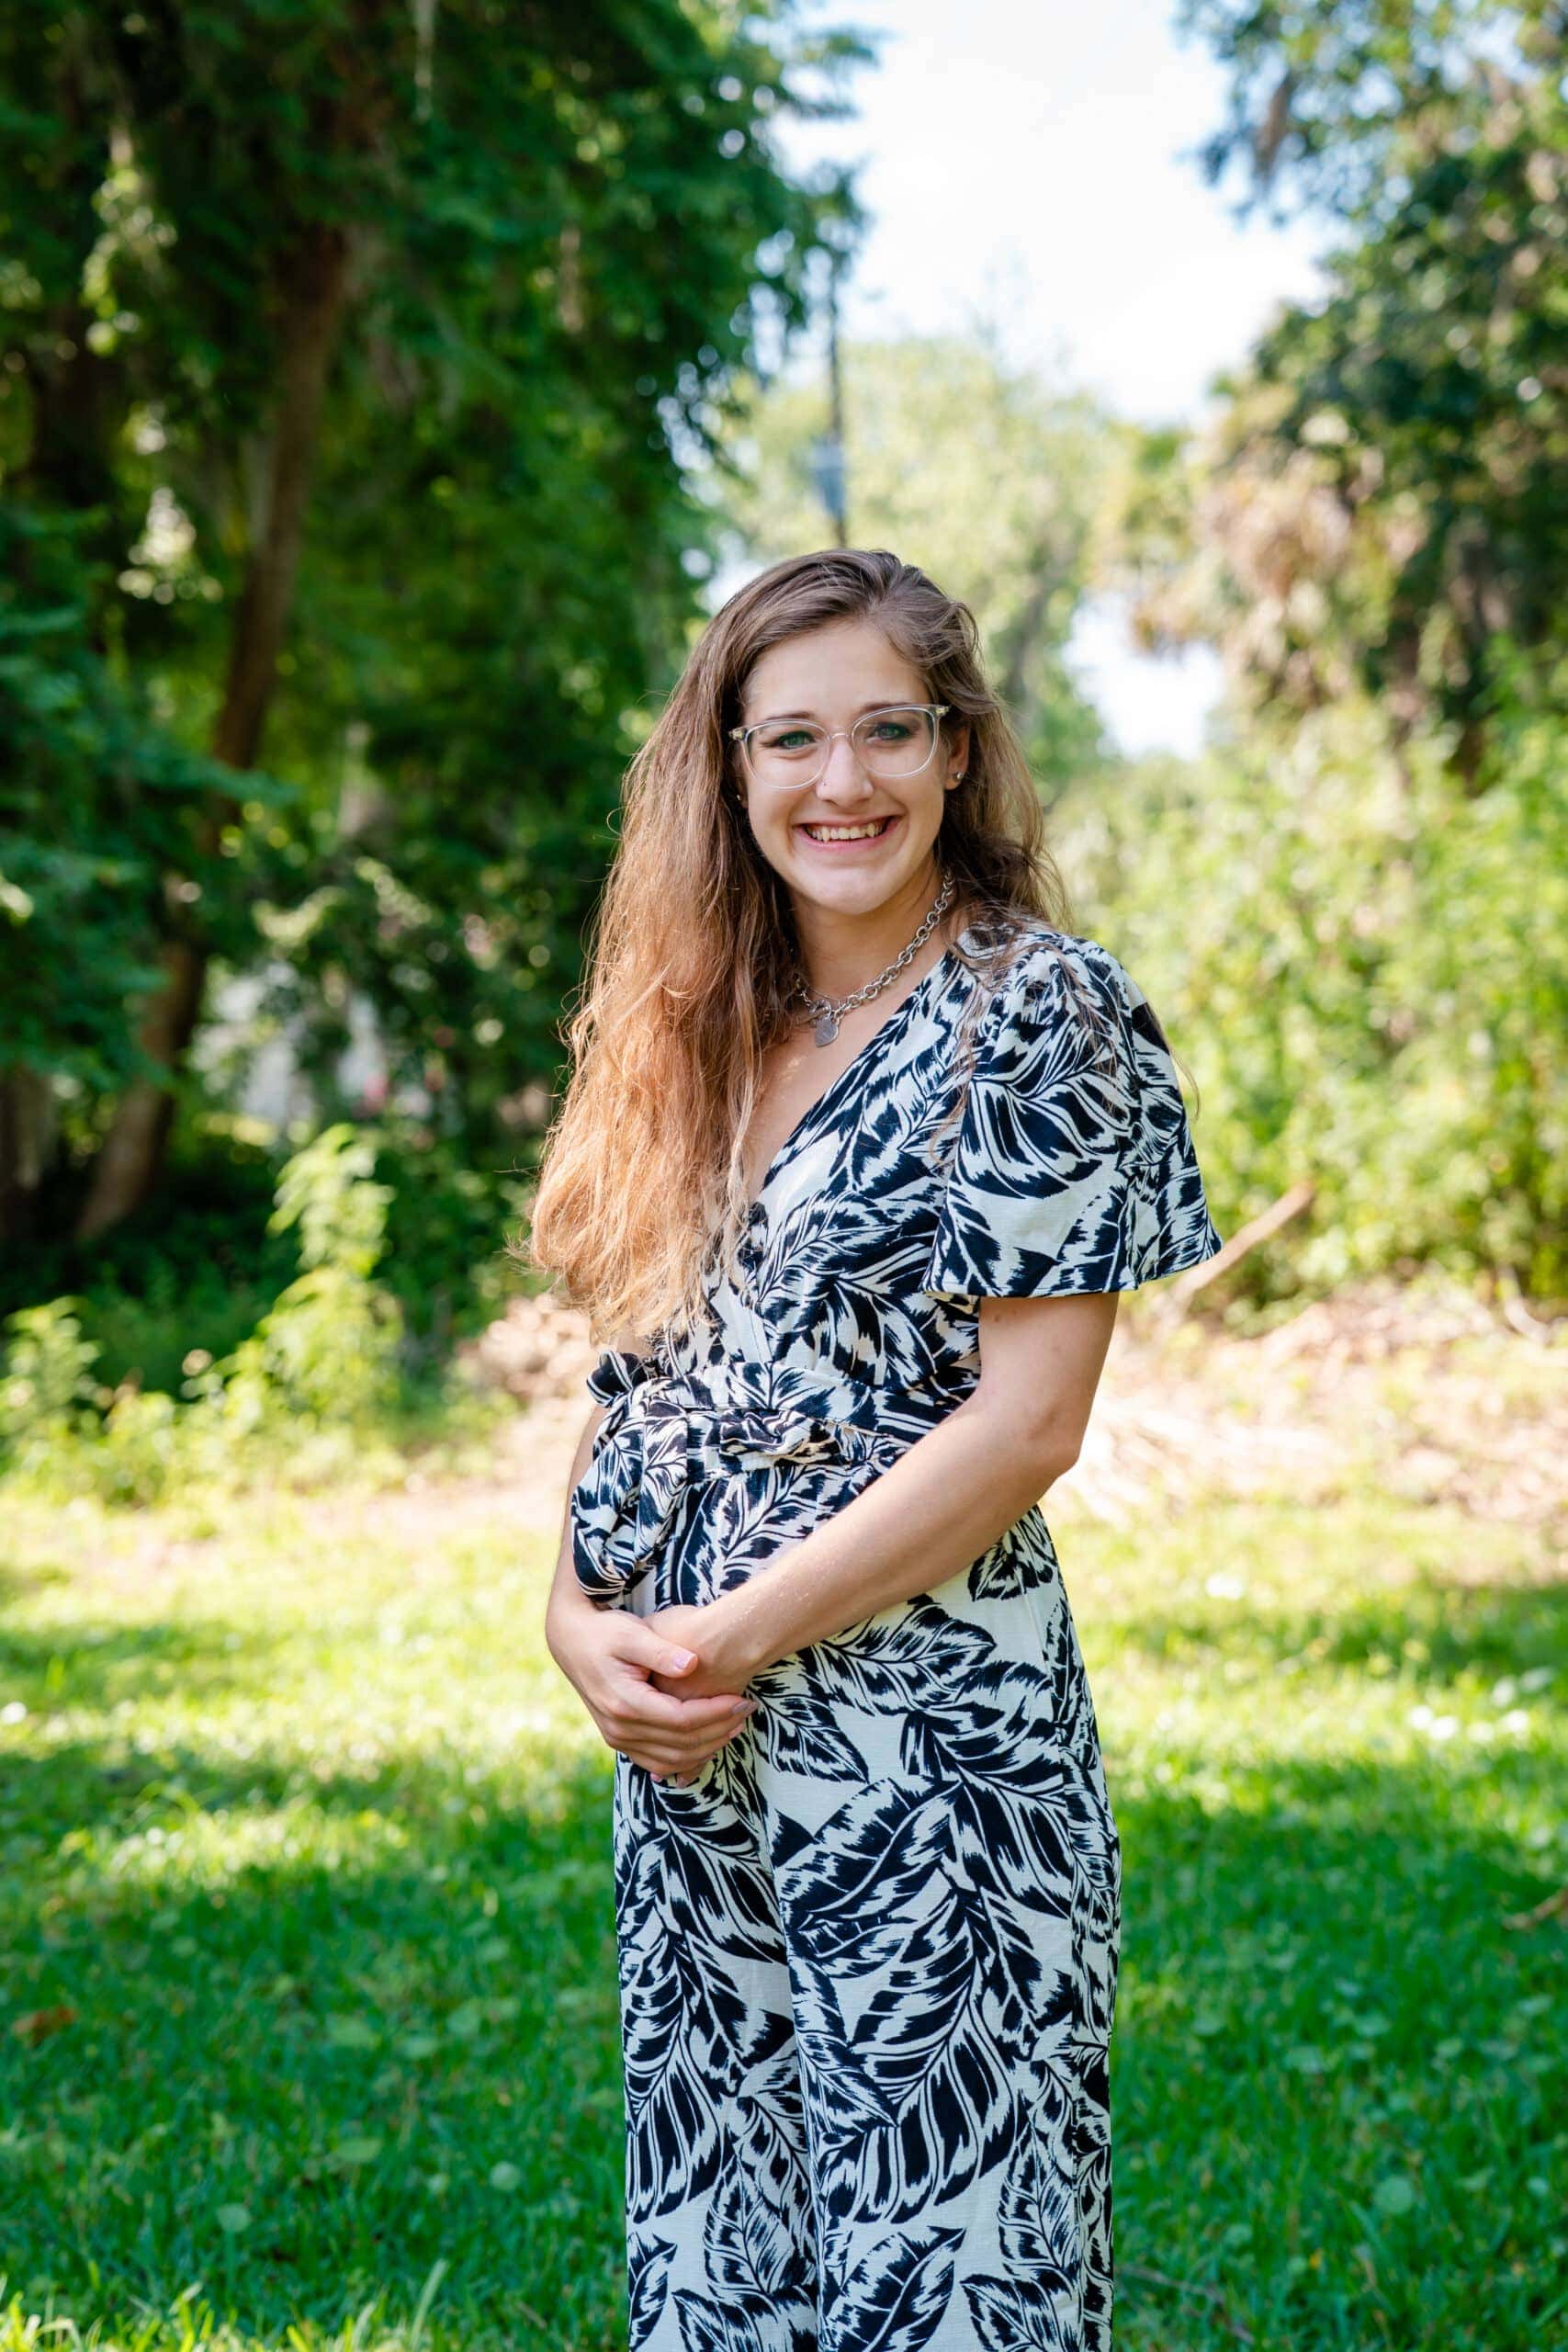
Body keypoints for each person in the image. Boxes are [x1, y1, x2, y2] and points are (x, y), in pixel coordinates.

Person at [528, 547, 1225, 2352]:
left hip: (931, 1751)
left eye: (884, 732)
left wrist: (730, 1630)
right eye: (791, 740)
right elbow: (640, 1383)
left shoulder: (1036, 1011)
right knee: (720, 2244)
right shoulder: (708, 1020)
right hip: (696, 1749)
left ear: (953, 749)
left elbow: (1026, 1425)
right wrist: (576, 1621)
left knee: (946, 2263)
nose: (838, 782)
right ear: (729, 768)